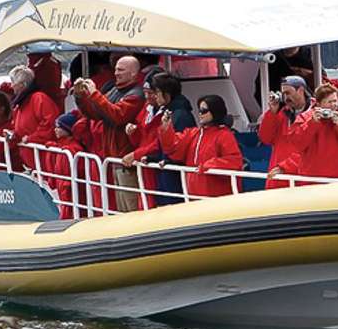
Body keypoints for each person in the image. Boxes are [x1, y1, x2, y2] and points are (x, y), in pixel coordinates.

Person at [72, 54, 147, 211]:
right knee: (121, 206)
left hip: (126, 159)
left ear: (133, 73)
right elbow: (95, 114)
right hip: (115, 158)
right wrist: (81, 97)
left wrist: (94, 93)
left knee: (130, 205)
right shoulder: (116, 90)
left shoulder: (136, 94)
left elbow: (118, 115)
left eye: (120, 70)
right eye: (115, 69)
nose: (116, 73)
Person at [153, 94, 245, 198]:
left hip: (217, 194)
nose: (200, 113)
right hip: (194, 192)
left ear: (215, 111)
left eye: (204, 110)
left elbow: (234, 161)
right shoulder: (194, 133)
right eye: (199, 110)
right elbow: (172, 148)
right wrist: (166, 128)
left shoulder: (224, 135)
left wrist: (208, 165)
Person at [125, 70, 194, 206]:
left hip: (173, 177)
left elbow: (179, 146)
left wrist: (167, 160)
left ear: (166, 93)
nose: (154, 97)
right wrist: (154, 158)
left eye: (156, 92)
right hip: (165, 173)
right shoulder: (171, 112)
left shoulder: (179, 115)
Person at [278, 84, 338, 183]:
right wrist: (312, 123)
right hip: (314, 180)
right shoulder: (305, 118)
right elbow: (297, 144)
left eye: (335, 101)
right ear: (318, 103)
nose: (333, 105)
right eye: (329, 102)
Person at [258, 75, 313, 189]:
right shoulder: (281, 113)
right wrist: (272, 113)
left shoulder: (315, 115)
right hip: (278, 176)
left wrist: (286, 167)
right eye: (283, 94)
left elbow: (312, 150)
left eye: (288, 93)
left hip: (302, 178)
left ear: (301, 90)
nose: (286, 97)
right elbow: (265, 138)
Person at [4, 64, 62, 170]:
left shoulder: (39, 99)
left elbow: (50, 124)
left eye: (13, 82)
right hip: (32, 161)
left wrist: (31, 139)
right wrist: (13, 135)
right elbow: (19, 128)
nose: (11, 86)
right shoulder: (20, 104)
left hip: (44, 160)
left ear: (22, 84)